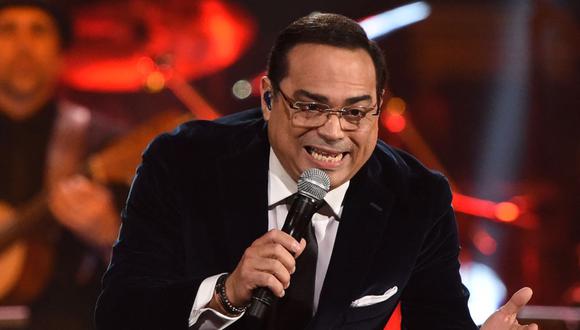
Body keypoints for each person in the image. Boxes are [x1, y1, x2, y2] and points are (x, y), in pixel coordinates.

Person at [95, 13, 538, 329]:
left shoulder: (416, 196)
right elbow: (120, 314)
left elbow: (438, 320)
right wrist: (227, 291)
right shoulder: (182, 162)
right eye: (310, 107)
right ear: (268, 99)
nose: (333, 132)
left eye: (356, 112)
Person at [0, 0, 120, 329]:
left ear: (60, 54)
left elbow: (159, 267)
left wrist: (109, 231)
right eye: (7, 30)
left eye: (38, 30)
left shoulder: (105, 142)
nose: (22, 45)